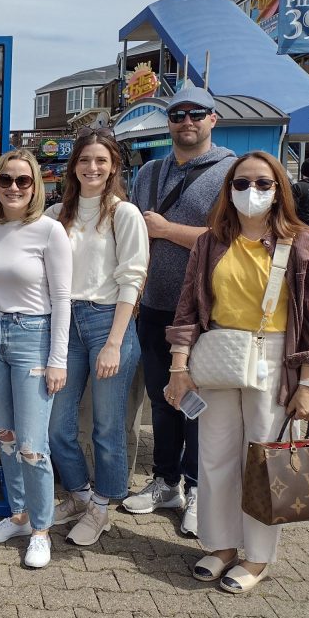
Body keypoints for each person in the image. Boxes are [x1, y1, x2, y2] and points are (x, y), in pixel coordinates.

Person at [164, 150, 309, 594]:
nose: (251, 192)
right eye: (241, 183)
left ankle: (257, 557)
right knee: (215, 457)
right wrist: (179, 368)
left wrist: (308, 385)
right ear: (228, 189)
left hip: (275, 360)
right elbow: (188, 308)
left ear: (279, 190)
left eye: (262, 183)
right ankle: (220, 546)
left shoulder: (302, 243)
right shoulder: (211, 241)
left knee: (261, 461)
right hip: (218, 353)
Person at [126, 83, 236, 537]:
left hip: (206, 313)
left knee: (199, 405)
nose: (186, 121)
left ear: (213, 119)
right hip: (153, 307)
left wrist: (169, 230)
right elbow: (132, 236)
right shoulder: (148, 173)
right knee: (163, 399)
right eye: (178, 114)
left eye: (197, 113)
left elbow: (233, 242)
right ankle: (166, 480)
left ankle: (196, 489)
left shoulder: (232, 173)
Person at [45, 128, 148, 546]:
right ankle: (80, 494)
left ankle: (103, 507)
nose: (92, 168)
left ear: (113, 167)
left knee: (108, 426)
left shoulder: (124, 214)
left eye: (101, 161)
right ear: (74, 165)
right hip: (65, 320)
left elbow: (133, 278)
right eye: (85, 160)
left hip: (110, 322)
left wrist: (113, 343)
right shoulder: (56, 215)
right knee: (56, 423)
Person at [0, 149, 71, 569]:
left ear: (36, 187)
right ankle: (18, 515)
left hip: (33, 335)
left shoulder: (50, 231)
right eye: (5, 179)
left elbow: (63, 298)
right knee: (6, 437)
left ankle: (42, 530)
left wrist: (58, 358)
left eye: (23, 181)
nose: (13, 187)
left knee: (33, 444)